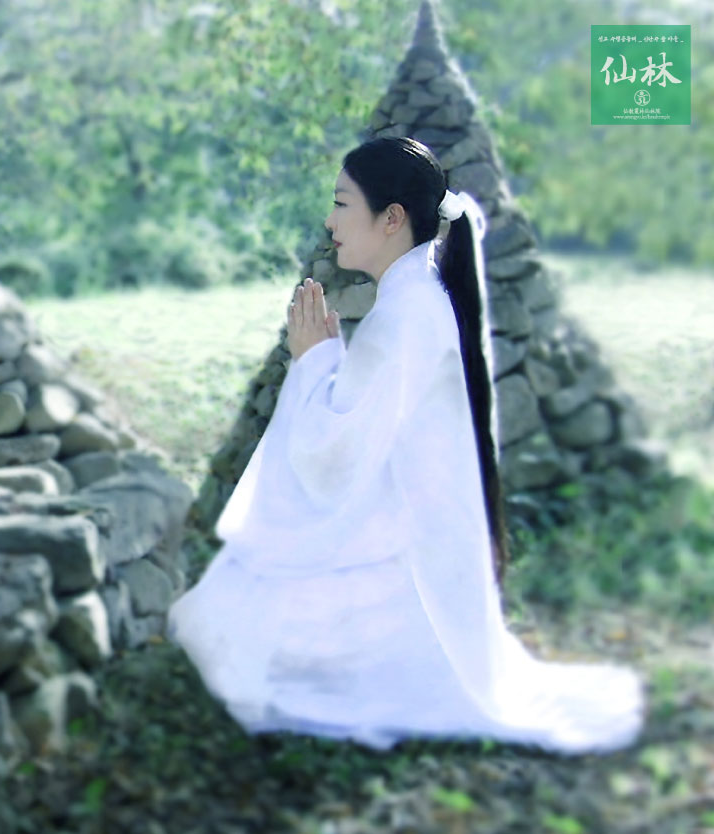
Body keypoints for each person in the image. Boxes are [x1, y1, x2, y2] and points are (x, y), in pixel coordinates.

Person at [166, 136, 645, 753]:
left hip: (412, 562)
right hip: (413, 537)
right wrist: (321, 364)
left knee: (237, 631)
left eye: (343, 203)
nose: (330, 221)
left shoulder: (407, 313)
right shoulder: (414, 298)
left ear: (391, 218)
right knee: (231, 616)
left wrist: (313, 362)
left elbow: (334, 460)